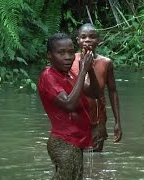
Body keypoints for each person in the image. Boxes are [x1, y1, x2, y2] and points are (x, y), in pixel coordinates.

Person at [38, 32, 100, 179]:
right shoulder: (48, 76)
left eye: (71, 52)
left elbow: (95, 93)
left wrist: (89, 69)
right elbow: (69, 104)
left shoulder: (69, 74)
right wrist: (83, 70)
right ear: (49, 55)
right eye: (61, 53)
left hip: (74, 142)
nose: (68, 57)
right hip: (63, 142)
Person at [71, 23, 122, 152]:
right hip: (74, 118)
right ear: (78, 41)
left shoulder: (106, 63)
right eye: (83, 37)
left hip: (98, 118)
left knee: (96, 157)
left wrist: (117, 122)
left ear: (98, 40)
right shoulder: (70, 61)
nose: (87, 40)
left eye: (92, 37)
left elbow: (112, 91)